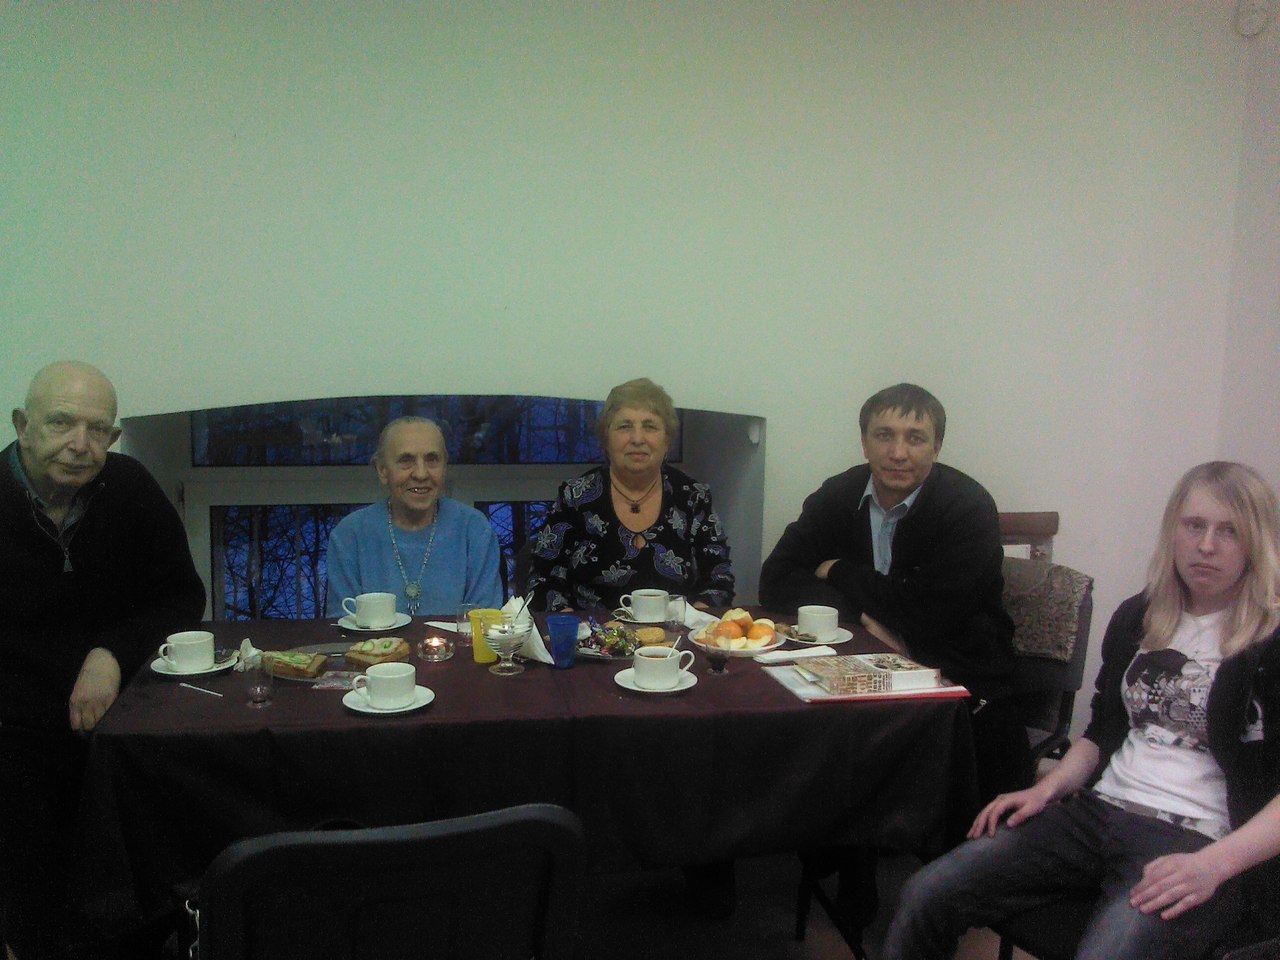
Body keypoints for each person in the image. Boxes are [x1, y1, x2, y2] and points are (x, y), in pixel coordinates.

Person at [882, 461, 1280, 960]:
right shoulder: (1141, 614)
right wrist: (1047, 788)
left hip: (1197, 839)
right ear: (1173, 530)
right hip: (1099, 812)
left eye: (1229, 531)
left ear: (1257, 541)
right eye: (1194, 525)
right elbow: (1103, 731)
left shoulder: (1270, 640)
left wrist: (1215, 865)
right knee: (926, 894)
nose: (1206, 545)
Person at [0, 361, 206, 959]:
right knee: (36, 910)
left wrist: (110, 653)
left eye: (97, 430)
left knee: (140, 896)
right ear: (23, 425)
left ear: (113, 438)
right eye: (61, 423)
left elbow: (180, 596)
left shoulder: (131, 487)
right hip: (15, 738)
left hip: (122, 732)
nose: (79, 444)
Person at [759, 382, 1025, 800]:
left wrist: (841, 571)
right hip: (857, 670)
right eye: (884, 435)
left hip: (961, 677)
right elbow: (775, 580)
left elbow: (930, 613)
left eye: (915, 438)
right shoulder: (839, 494)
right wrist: (863, 619)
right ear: (865, 443)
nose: (898, 453)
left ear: (937, 447)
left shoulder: (968, 507)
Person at [528, 377, 734, 613]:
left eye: (650, 427)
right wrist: (569, 624)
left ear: (667, 441)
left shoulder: (693, 498)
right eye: (625, 426)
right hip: (591, 633)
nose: (637, 439)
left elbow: (719, 579)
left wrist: (697, 621)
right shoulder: (575, 498)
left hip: (676, 634)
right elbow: (542, 580)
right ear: (606, 439)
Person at [325, 416, 503, 618]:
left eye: (432, 460)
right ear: (382, 470)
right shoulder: (349, 535)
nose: (421, 474)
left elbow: (485, 623)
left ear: (444, 468)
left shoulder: (475, 530)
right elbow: (341, 624)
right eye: (406, 460)